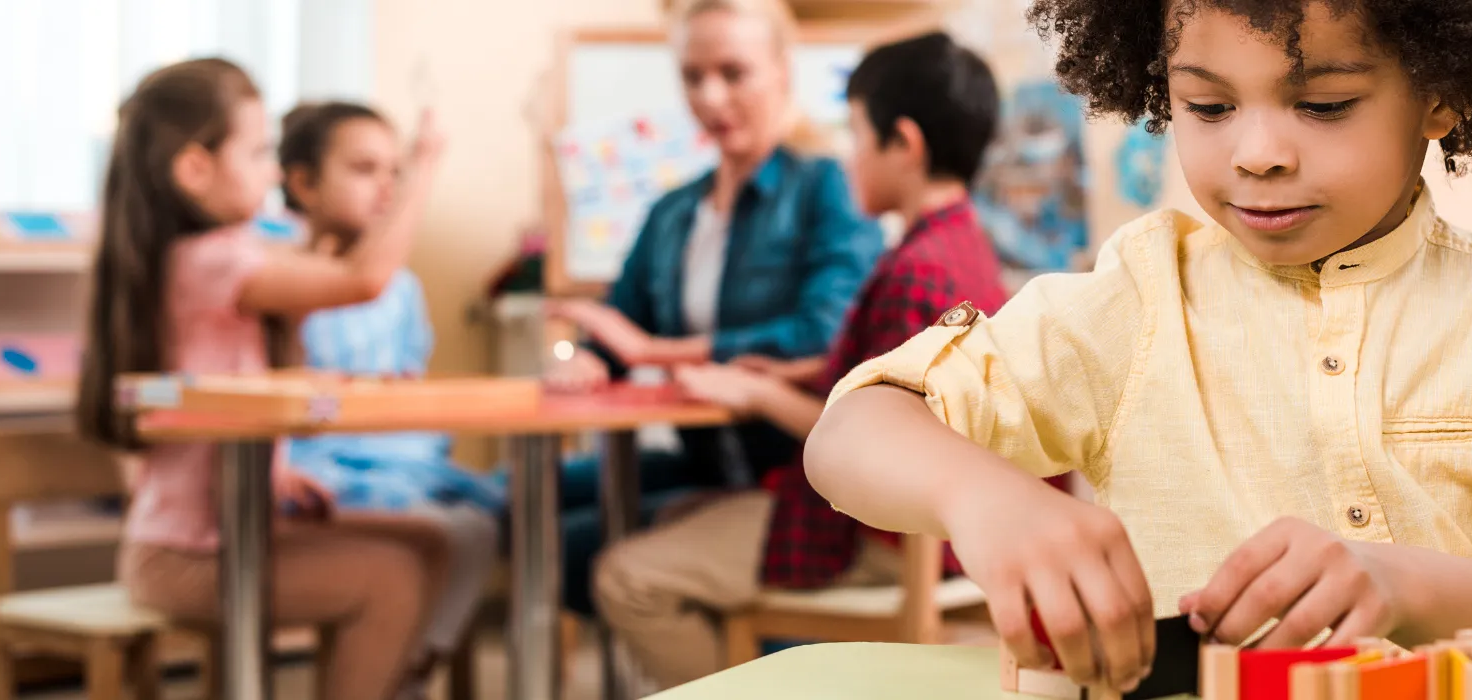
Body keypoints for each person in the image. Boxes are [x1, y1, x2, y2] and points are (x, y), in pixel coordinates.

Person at [806, 0, 1472, 695]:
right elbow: (850, 433)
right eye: (1208, 107)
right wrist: (983, 497)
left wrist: (1402, 585)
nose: (1257, 155)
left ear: (1439, 92)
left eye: (1323, 105)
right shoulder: (1138, 298)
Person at [585, 31, 1010, 688]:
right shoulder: (959, 247)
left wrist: (757, 396)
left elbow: (884, 440)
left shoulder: (914, 272)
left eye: (858, 137)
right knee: (675, 517)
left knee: (626, 575)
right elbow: (885, 381)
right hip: (920, 528)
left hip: (883, 537)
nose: (847, 157)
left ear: (905, 145)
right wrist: (782, 374)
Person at [75, 58, 451, 700]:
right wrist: (423, 171)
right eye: (257, 153)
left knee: (430, 542)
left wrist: (277, 474)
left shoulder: (194, 259)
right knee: (393, 577)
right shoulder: (214, 258)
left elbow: (220, 394)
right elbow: (363, 281)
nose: (272, 171)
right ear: (195, 168)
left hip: (209, 535)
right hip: (190, 556)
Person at [538, 0, 885, 618]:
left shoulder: (827, 187)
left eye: (733, 72)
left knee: (570, 548)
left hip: (790, 473)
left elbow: (819, 335)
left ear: (782, 70)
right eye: (693, 77)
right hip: (705, 459)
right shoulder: (674, 212)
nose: (710, 97)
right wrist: (593, 360)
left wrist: (653, 353)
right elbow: (622, 322)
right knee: (522, 498)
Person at [277, 101, 503, 696]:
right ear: (302, 183)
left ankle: (412, 668)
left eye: (394, 172)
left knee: (476, 526)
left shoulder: (402, 289)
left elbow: (412, 382)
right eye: (364, 169)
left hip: (400, 462)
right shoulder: (281, 277)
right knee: (443, 534)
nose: (386, 187)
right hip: (321, 473)